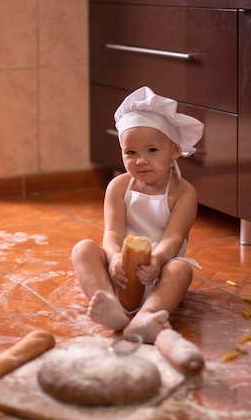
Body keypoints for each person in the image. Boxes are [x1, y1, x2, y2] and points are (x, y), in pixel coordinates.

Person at [72, 86, 204, 344]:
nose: (140, 160)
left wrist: (156, 261)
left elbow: (173, 239)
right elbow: (112, 232)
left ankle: (148, 314)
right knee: (83, 249)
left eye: (152, 151)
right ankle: (109, 303)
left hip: (160, 272)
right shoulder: (119, 187)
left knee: (181, 270)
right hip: (119, 273)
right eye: (130, 153)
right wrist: (114, 258)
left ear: (174, 151)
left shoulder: (183, 193)